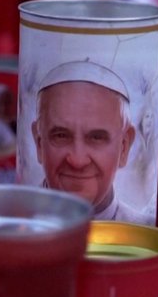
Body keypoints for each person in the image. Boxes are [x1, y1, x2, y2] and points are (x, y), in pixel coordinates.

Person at [31, 60, 151, 225]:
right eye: (61, 136)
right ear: (39, 143)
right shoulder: (13, 222)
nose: (78, 161)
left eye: (97, 138)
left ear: (124, 147)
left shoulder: (146, 229)